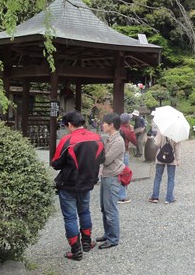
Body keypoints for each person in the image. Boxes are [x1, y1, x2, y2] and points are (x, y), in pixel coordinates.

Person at [52, 111, 105, 261]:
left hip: (68, 183)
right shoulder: (97, 138)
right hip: (87, 182)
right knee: (84, 212)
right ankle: (87, 243)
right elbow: (102, 158)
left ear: (69, 124)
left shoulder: (67, 140)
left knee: (70, 217)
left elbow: (56, 163)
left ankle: (76, 251)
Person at [96, 112, 125, 249]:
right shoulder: (110, 138)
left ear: (111, 125)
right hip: (106, 175)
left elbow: (106, 160)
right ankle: (108, 233)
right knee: (104, 207)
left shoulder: (118, 141)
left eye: (105, 123)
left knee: (110, 208)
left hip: (112, 176)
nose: (102, 125)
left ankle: (113, 238)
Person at [149, 132, 181, 204]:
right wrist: (178, 159)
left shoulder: (162, 131)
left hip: (161, 156)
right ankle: (169, 198)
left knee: (158, 177)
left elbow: (156, 143)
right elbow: (177, 148)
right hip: (172, 157)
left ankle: (155, 197)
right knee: (171, 178)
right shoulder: (177, 133)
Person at [117, 113, 137, 204]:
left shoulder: (117, 128)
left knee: (117, 173)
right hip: (124, 152)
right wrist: (132, 131)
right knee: (124, 174)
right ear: (127, 121)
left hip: (116, 153)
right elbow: (134, 141)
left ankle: (116, 194)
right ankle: (121, 196)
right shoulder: (126, 130)